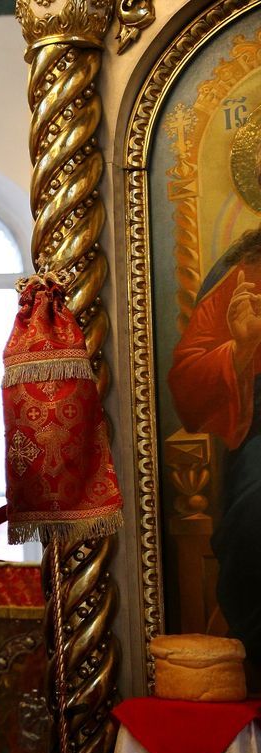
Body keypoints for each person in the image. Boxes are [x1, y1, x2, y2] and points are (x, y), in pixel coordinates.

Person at [169, 227, 261, 663]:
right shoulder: (242, 270)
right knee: (255, 510)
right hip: (259, 428)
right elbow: (187, 384)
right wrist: (241, 348)